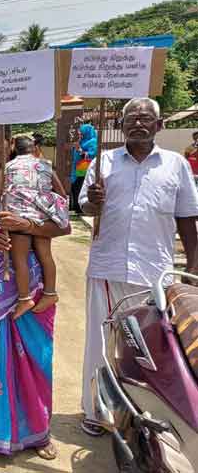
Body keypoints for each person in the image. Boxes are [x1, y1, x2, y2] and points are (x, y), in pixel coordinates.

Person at [79, 98, 198, 437]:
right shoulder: (104, 161)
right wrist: (93, 200)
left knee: (150, 349)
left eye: (146, 118)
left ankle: (144, 414)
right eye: (131, 118)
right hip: (107, 267)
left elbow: (188, 220)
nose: (138, 123)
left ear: (159, 126)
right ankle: (97, 411)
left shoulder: (176, 165)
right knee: (100, 343)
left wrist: (192, 269)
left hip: (154, 274)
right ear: (120, 125)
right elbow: (85, 205)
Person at [0, 124, 67, 460]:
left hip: (30, 282)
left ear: (9, 143)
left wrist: (27, 227)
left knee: (35, 355)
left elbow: (63, 223)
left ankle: (37, 430)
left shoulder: (36, 173)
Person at [0, 136, 68, 317]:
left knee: (19, 259)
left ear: (14, 148)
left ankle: (24, 299)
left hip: (18, 218)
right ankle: (50, 293)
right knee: (46, 255)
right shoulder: (46, 165)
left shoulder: (8, 166)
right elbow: (61, 192)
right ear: (34, 148)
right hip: (42, 218)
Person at [70, 124, 97, 213]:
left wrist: (79, 150)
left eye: (81, 133)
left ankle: (81, 208)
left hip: (84, 170)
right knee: (75, 187)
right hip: (77, 169)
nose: (80, 135)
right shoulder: (81, 141)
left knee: (80, 187)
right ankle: (76, 207)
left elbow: (91, 155)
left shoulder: (93, 141)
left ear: (87, 132)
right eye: (79, 133)